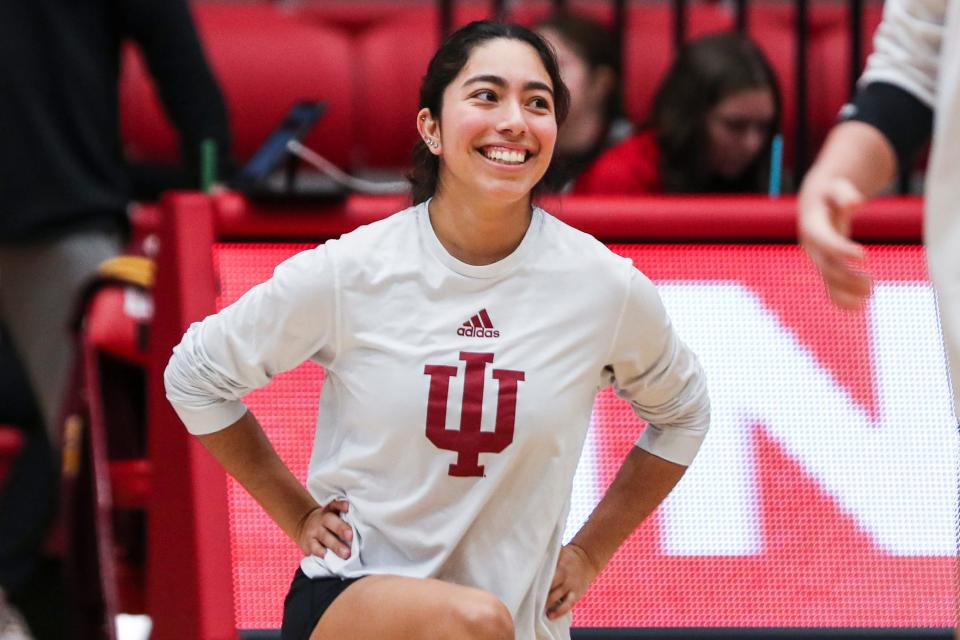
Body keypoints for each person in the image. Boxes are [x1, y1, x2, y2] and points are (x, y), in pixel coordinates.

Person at [165, 21, 710, 640]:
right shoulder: (354, 270)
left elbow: (684, 414)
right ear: (431, 127)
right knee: (473, 622)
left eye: (538, 103)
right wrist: (294, 513)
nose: (514, 120)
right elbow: (194, 375)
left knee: (482, 623)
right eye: (486, 96)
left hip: (517, 626)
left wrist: (590, 552)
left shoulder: (603, 287)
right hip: (355, 600)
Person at [0, 0, 232, 636]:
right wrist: (214, 186)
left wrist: (210, 185)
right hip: (62, 206)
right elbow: (183, 71)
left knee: (88, 432)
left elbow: (180, 67)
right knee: (92, 431)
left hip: (61, 212)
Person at [575, 31, 781, 195]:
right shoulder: (619, 177)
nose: (752, 144)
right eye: (735, 125)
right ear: (690, 117)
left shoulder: (769, 177)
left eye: (763, 127)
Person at [534, 12, 631, 191]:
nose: (537, 78)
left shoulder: (632, 160)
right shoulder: (514, 147)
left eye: (556, 66)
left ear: (601, 82)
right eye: (532, 64)